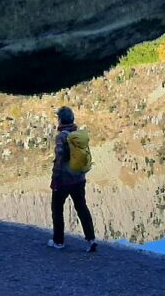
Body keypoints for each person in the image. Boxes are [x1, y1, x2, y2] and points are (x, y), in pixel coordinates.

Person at [48, 106, 97, 252]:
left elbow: (59, 160)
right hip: (79, 179)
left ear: (60, 119)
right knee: (81, 207)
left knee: (57, 209)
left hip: (63, 180)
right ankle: (91, 239)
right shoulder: (78, 134)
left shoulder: (61, 137)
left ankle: (58, 241)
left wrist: (54, 180)